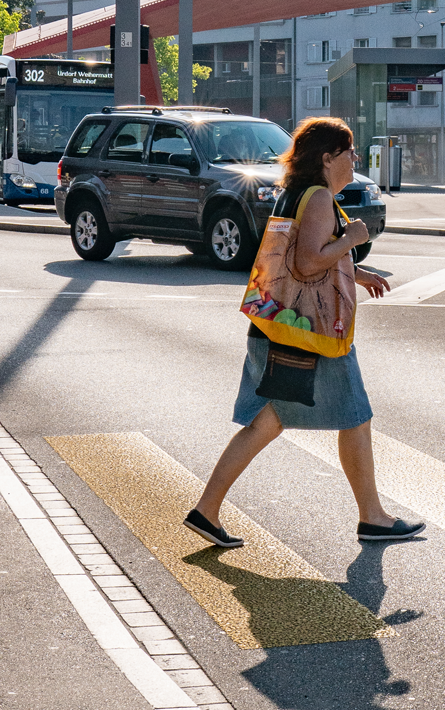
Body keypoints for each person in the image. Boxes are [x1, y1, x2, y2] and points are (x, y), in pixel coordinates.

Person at [185, 116, 425, 548]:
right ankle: (372, 518)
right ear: (328, 157)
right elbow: (308, 264)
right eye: (349, 151)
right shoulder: (317, 197)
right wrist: (351, 240)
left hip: (280, 325)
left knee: (267, 423)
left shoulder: (296, 193)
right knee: (355, 417)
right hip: (310, 333)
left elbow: (300, 258)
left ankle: (206, 510)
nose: (354, 159)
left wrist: (358, 272)